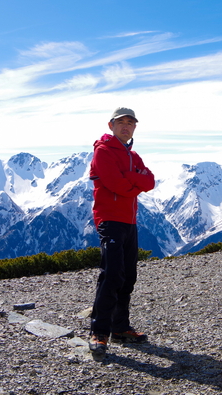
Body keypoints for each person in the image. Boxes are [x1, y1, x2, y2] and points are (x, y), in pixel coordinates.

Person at [88, 107, 155, 356]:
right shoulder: (103, 152)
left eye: (131, 123)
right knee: (112, 275)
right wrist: (133, 180)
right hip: (110, 220)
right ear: (111, 125)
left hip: (129, 221)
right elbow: (116, 184)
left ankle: (120, 327)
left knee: (128, 276)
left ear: (134, 127)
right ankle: (99, 332)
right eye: (121, 123)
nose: (126, 127)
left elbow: (150, 181)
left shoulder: (133, 155)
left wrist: (131, 179)